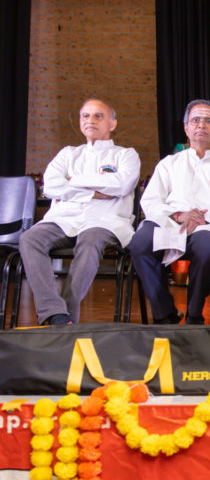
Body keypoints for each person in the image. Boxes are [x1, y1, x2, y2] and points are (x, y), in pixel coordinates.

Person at [19, 98, 139, 325]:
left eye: (98, 116)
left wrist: (74, 181)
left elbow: (122, 185)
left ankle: (65, 314)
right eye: (85, 116)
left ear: (112, 124)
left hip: (106, 220)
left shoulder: (125, 155)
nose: (90, 120)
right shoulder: (68, 154)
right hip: (64, 219)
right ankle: (55, 312)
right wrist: (94, 191)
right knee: (29, 238)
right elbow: (51, 186)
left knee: (90, 238)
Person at [128, 99, 210, 325]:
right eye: (196, 120)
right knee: (140, 243)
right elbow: (150, 200)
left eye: (208, 121)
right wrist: (179, 215)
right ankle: (165, 314)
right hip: (171, 222)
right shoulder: (170, 163)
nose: (201, 125)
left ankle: (194, 315)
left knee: (204, 246)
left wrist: (203, 217)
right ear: (186, 128)